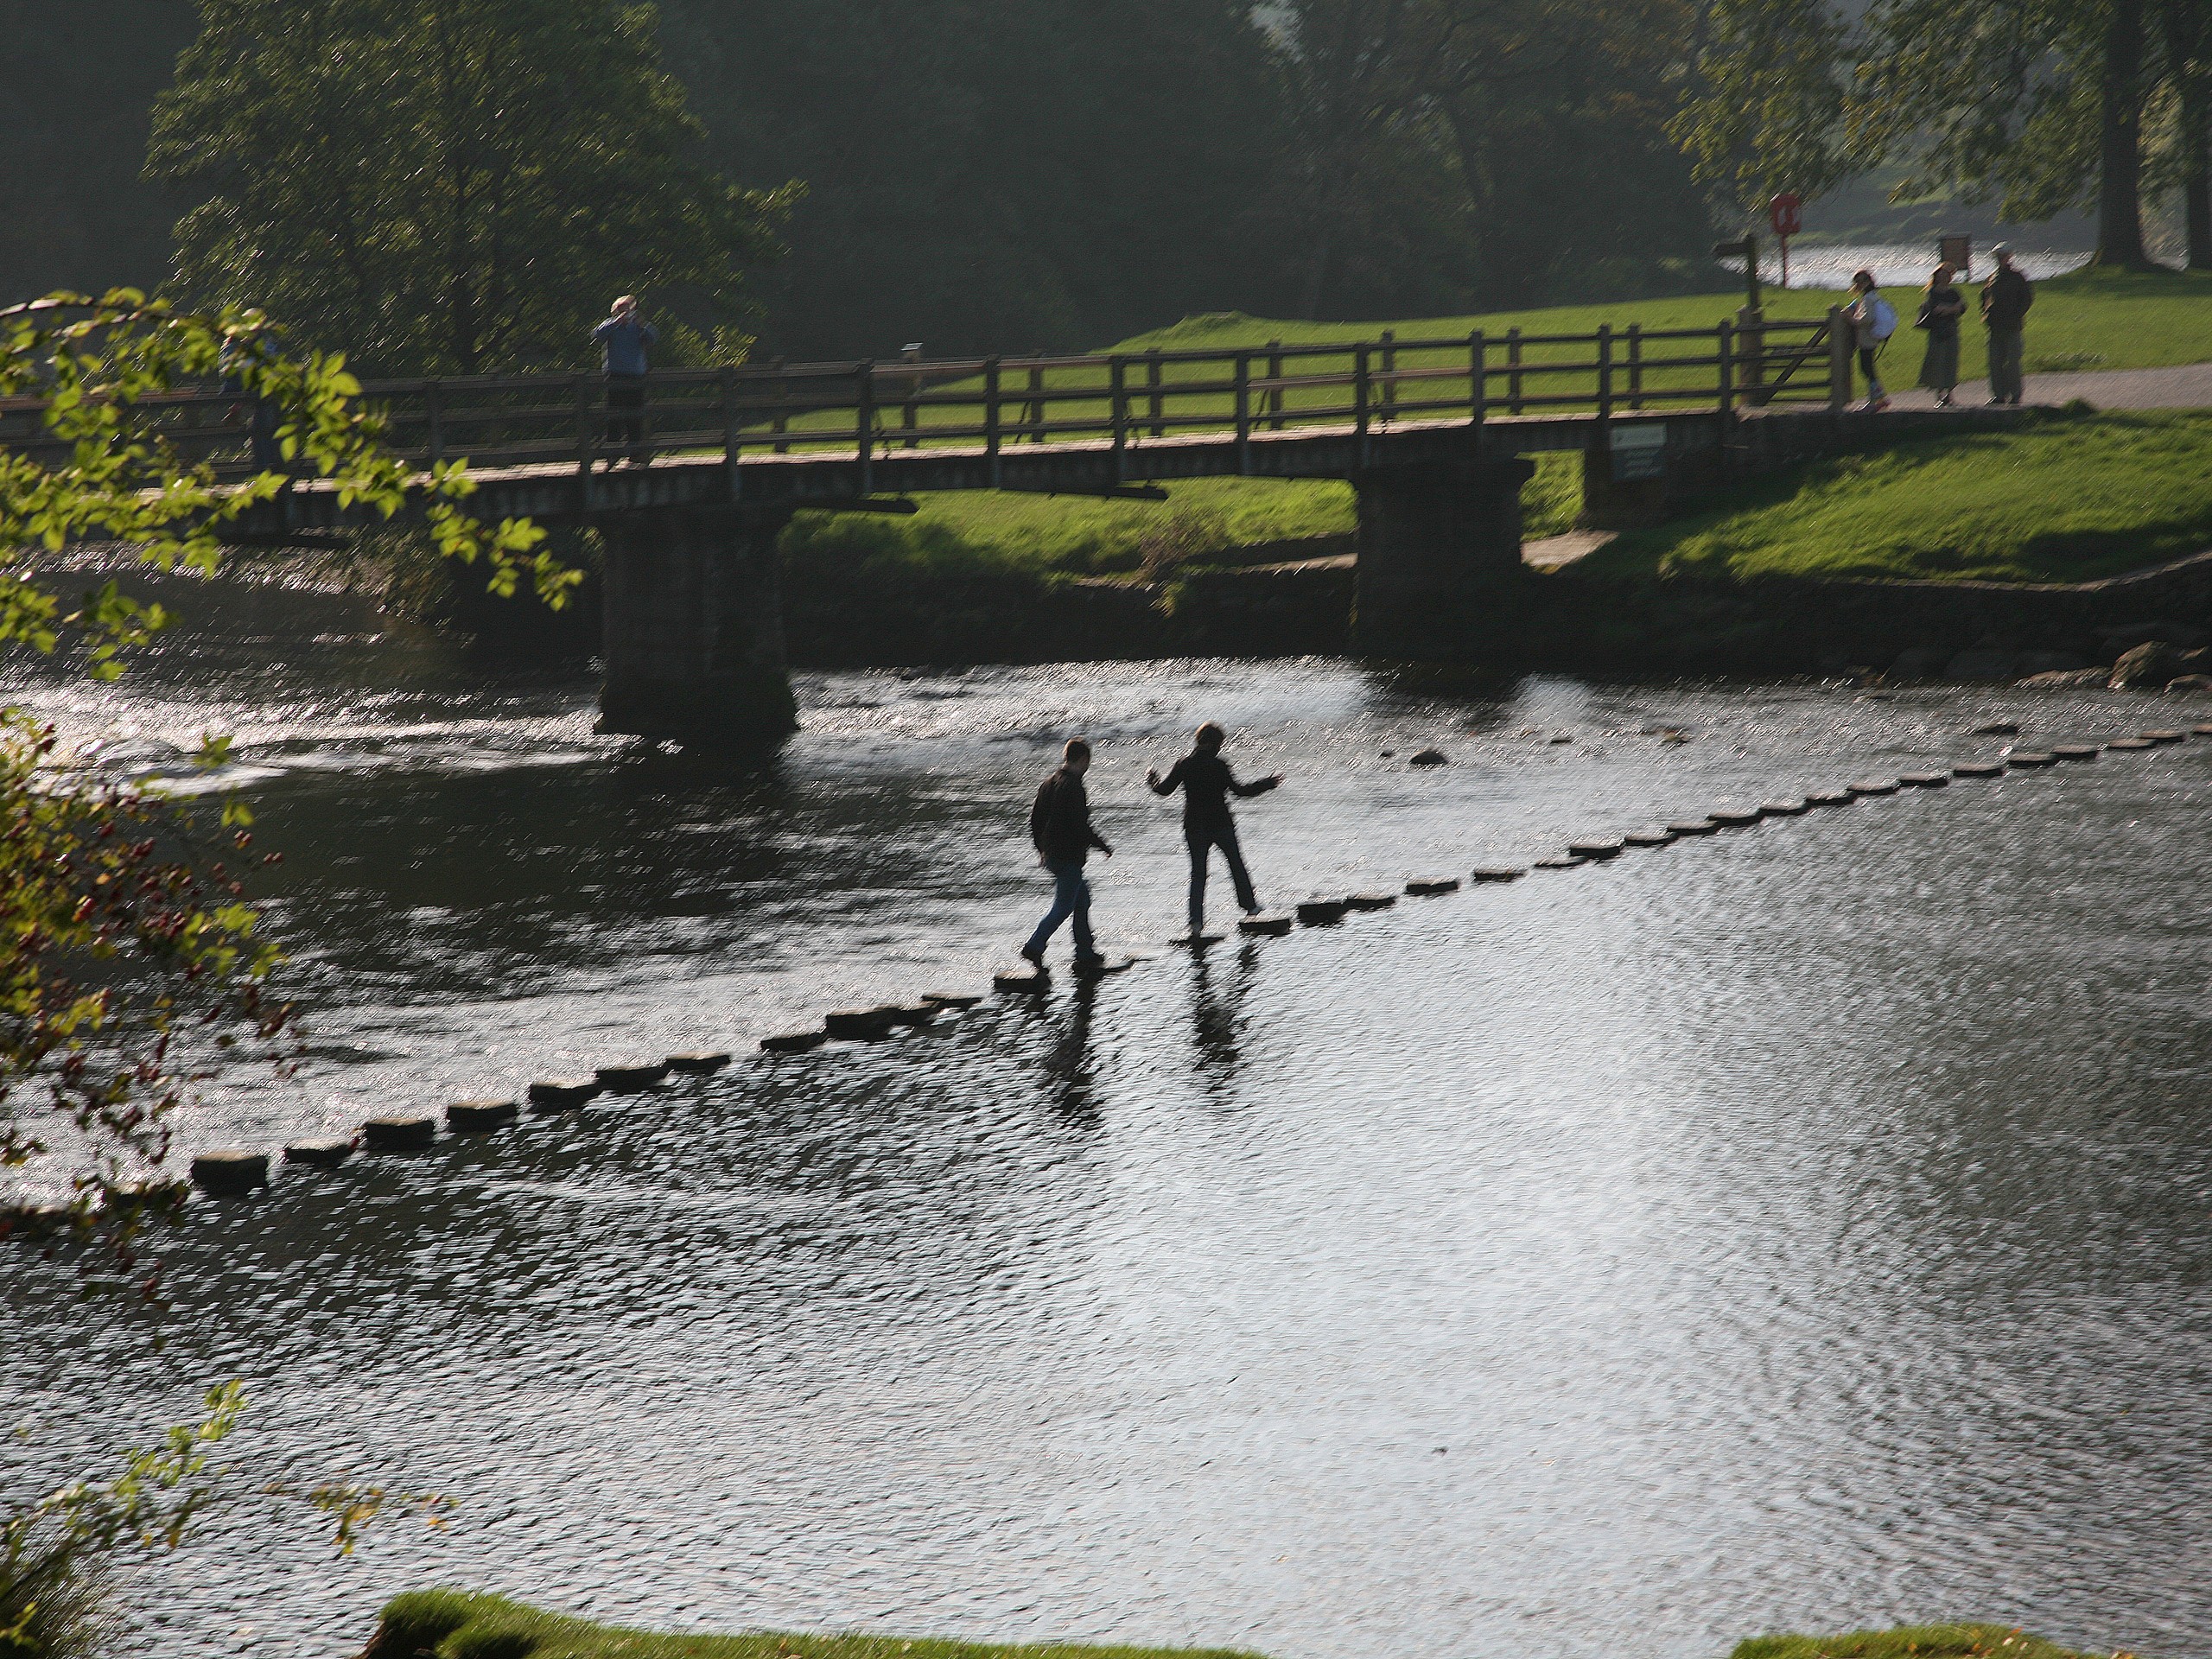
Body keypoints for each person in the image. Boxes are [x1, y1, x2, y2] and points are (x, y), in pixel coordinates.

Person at [1147, 722, 1281, 938]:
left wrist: (1153, 782)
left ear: (1198, 741)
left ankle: (1195, 922)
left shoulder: (1184, 764)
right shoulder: (1219, 765)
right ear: (1216, 744)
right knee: (1236, 864)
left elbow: (1164, 791)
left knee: (1198, 874)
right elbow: (1240, 791)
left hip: (1195, 826)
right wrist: (1266, 784)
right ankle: (1250, 906)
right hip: (1221, 824)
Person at [1022, 737, 1113, 972]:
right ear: (1083, 759)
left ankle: (1085, 951)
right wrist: (1102, 845)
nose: (1088, 766)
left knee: (1082, 899)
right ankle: (1035, 944)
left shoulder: (1049, 782)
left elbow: (1035, 820)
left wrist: (1040, 848)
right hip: (1068, 855)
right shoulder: (1074, 786)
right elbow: (1080, 826)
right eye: (1088, 761)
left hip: (1052, 853)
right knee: (1063, 906)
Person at [590, 295, 658, 464]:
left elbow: (653, 338)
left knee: (635, 416)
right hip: (615, 375)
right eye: (622, 310)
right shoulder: (610, 326)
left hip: (636, 375)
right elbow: (596, 335)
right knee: (614, 415)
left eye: (628, 310)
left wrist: (641, 324)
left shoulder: (639, 327)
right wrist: (615, 323)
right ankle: (613, 454)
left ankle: (636, 454)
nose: (625, 314)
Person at [1981, 244, 2034, 406]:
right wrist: (1986, 315)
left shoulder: (2018, 277)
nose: (2000, 259)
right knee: (1994, 362)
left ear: (2009, 257)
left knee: (2013, 362)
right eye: (1997, 256)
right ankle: (1998, 395)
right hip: (1995, 327)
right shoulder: (1992, 278)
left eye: (2003, 256)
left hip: (2012, 326)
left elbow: (2027, 299)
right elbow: (1984, 298)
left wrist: (2016, 315)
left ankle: (2015, 395)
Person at [1915, 262, 1968, 406]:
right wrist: (1953, 308)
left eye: (1946, 275)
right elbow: (1937, 310)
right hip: (1937, 332)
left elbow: (1962, 307)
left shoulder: (1954, 292)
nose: (1944, 278)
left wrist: (1949, 309)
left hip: (1951, 331)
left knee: (1951, 362)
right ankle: (1939, 396)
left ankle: (1949, 395)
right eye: (1941, 275)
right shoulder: (1932, 292)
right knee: (1937, 363)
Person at [1846, 269, 1896, 411]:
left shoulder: (1867, 298)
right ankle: (1877, 399)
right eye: (1858, 282)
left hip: (1866, 339)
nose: (1860, 284)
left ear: (1868, 282)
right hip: (1871, 338)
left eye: (1862, 281)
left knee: (1867, 369)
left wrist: (1851, 320)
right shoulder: (1873, 296)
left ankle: (1877, 400)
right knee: (1868, 369)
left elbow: (1867, 319)